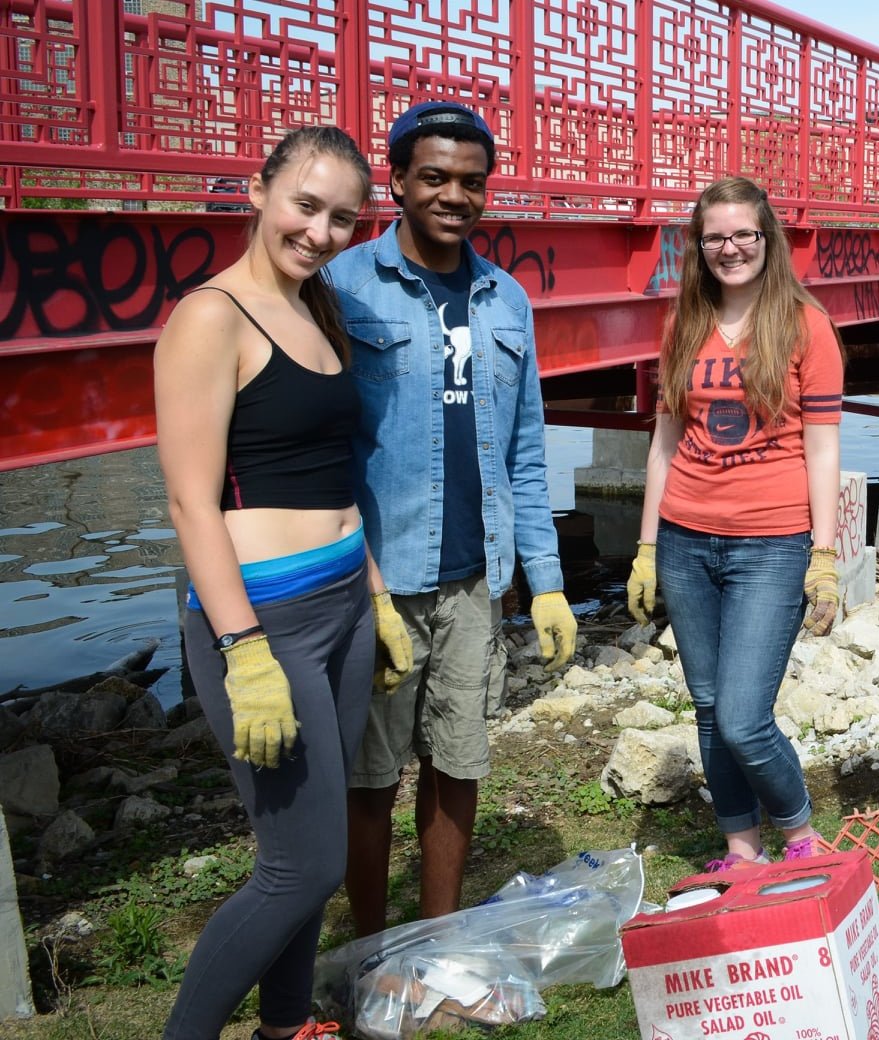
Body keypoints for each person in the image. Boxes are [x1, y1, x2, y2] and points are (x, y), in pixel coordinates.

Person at [156, 126, 407, 1040]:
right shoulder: (210, 317)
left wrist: (374, 597)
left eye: (343, 217)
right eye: (305, 205)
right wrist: (242, 651)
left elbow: (338, 475)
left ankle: (286, 1025)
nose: (320, 231)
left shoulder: (318, 306)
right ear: (261, 190)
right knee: (299, 868)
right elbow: (190, 504)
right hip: (265, 619)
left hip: (340, 603)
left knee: (318, 849)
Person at [330, 101, 577, 936]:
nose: (453, 195)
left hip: (476, 581)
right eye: (433, 177)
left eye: (471, 181)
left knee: (457, 762)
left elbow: (528, 451)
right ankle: (369, 949)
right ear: (395, 181)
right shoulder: (342, 286)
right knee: (368, 777)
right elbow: (317, 444)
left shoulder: (506, 299)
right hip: (379, 580)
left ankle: (435, 941)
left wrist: (545, 582)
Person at [625, 176, 842, 870]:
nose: (731, 247)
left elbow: (823, 445)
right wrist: (646, 547)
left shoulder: (805, 325)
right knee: (711, 709)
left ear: (767, 237)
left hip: (771, 544)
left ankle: (801, 836)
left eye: (744, 233)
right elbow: (663, 442)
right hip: (687, 539)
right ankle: (741, 850)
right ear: (699, 245)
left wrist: (825, 554)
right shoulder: (682, 323)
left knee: (746, 718)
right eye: (715, 236)